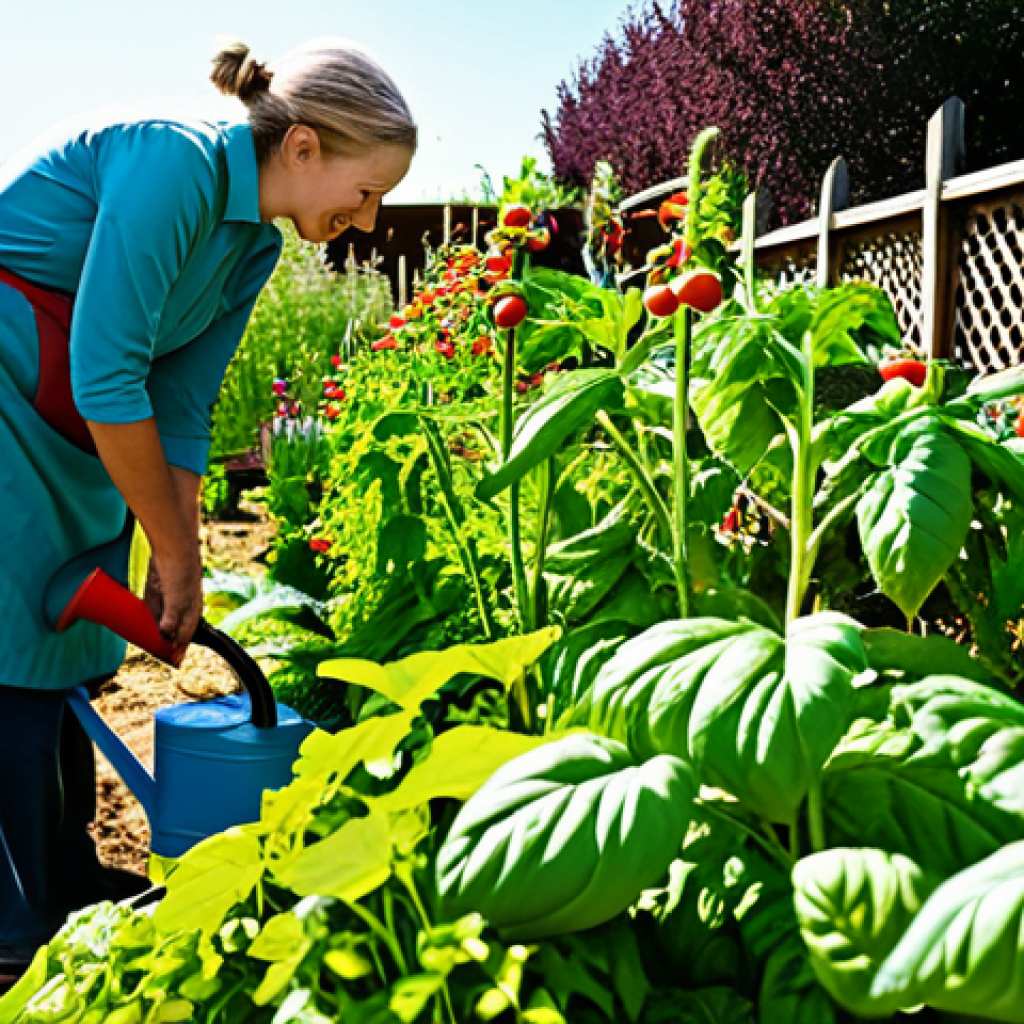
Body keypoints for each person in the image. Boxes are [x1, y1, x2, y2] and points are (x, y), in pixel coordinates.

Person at [0, 38, 415, 973]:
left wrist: (181, 556)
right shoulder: (171, 161)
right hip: (10, 386)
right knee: (11, 653)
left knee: (67, 648)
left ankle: (64, 875)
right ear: (303, 147)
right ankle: (13, 923)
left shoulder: (254, 242)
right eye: (367, 188)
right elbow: (112, 374)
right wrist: (172, 552)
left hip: (68, 411)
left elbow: (179, 411)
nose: (368, 217)